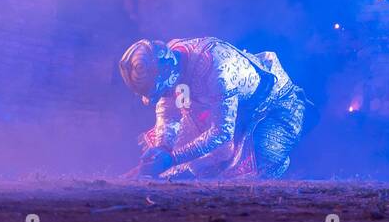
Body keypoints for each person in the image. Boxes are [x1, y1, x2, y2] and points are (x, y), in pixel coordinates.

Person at [119, 36, 309, 179]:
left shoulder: (217, 69)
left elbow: (221, 133)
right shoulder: (172, 63)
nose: (164, 95)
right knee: (178, 165)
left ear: (169, 70)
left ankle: (276, 158)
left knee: (252, 169)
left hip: (272, 108)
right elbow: (169, 112)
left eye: (162, 90)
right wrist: (163, 147)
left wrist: (173, 158)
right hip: (222, 113)